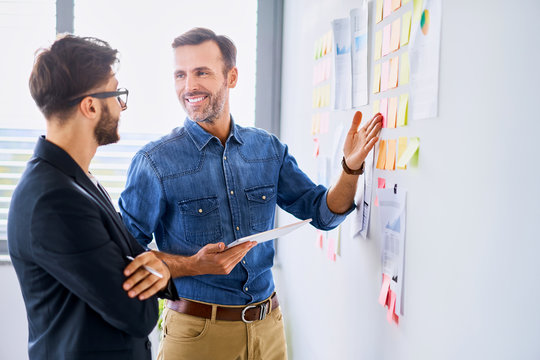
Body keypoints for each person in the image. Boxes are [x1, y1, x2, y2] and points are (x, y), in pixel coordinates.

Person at [119, 27, 382, 360]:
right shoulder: (154, 162)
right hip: (197, 335)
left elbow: (324, 213)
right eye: (180, 75)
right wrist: (192, 265)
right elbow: (125, 257)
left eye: (202, 72)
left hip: (268, 328)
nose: (189, 87)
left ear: (232, 76)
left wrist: (350, 167)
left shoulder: (267, 149)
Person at [7, 35, 179, 360]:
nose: (121, 106)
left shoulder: (74, 179)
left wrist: (157, 265)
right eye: (117, 94)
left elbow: (131, 259)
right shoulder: (54, 200)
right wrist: (160, 268)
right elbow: (136, 313)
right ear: (90, 105)